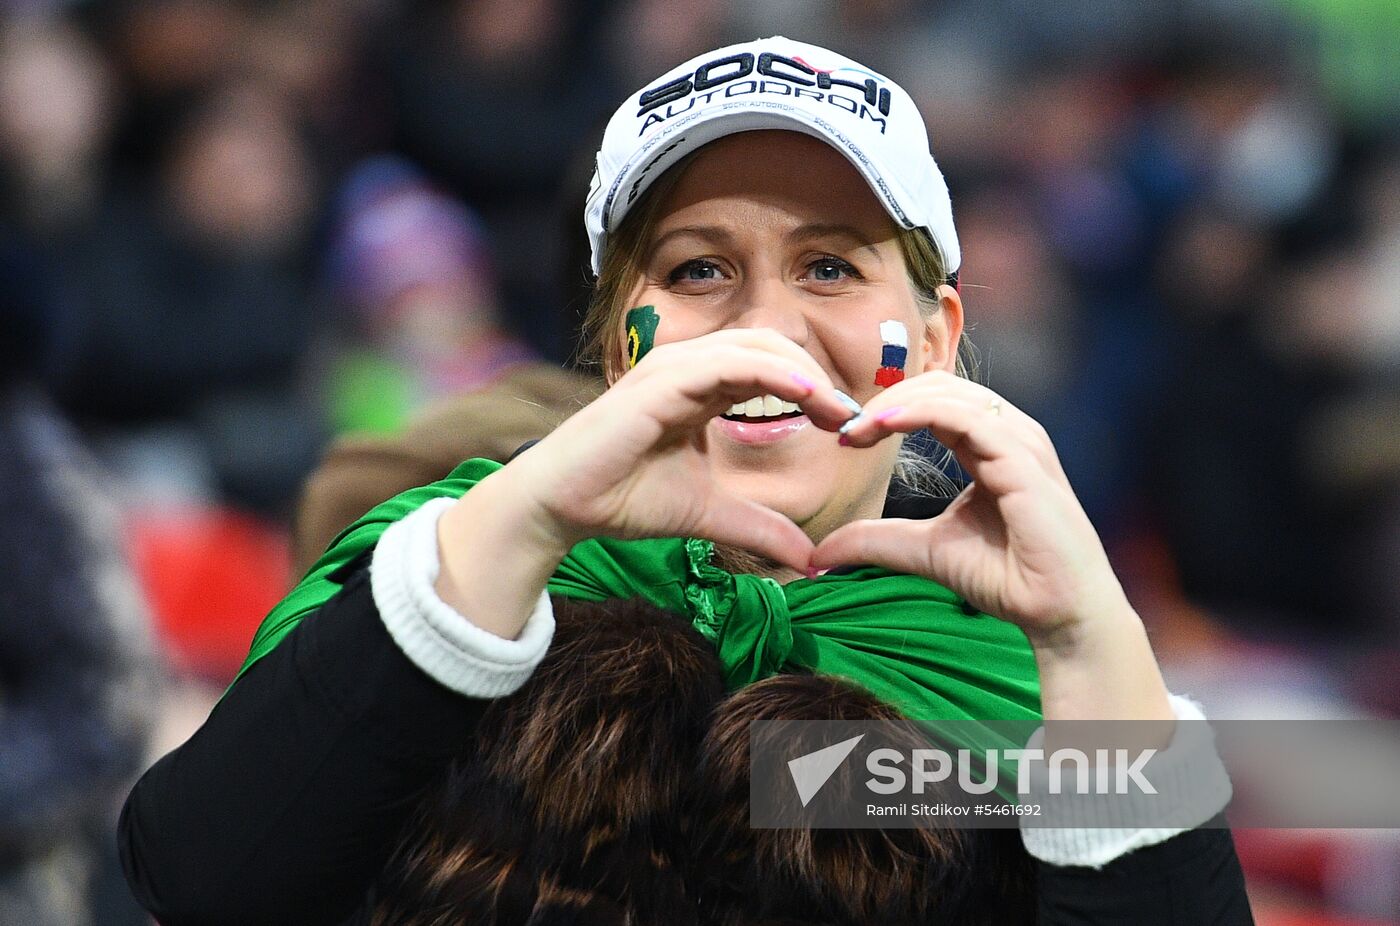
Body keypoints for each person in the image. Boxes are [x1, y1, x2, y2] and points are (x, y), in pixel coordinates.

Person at [119, 37, 1251, 924]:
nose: (765, 327)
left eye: (828, 265)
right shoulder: (457, 559)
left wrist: (1089, 643)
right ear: (618, 343)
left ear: (937, 335)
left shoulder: (1010, 661)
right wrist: (519, 525)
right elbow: (205, 880)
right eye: (698, 268)